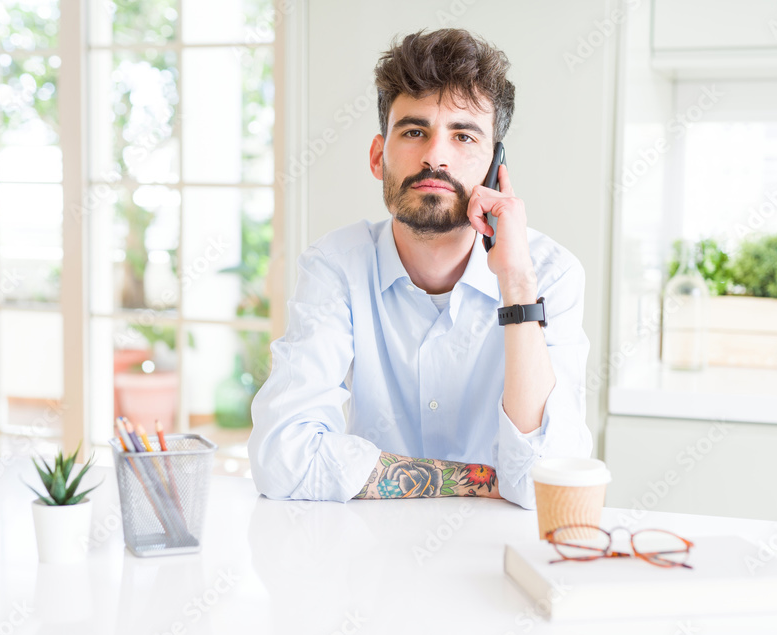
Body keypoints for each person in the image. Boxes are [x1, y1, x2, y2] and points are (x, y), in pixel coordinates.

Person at [248, 28, 592, 509]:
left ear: (497, 166)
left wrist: (516, 284)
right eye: (414, 131)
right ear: (377, 156)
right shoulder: (336, 267)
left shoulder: (549, 274)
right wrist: (477, 479)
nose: (435, 155)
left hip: (497, 559)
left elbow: (548, 479)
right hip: (369, 557)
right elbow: (281, 458)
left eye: (464, 135)